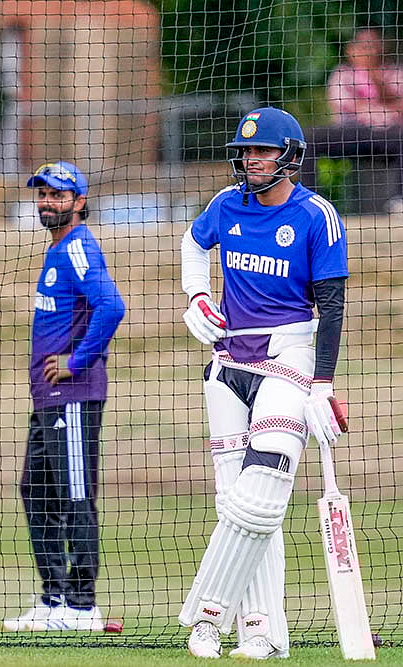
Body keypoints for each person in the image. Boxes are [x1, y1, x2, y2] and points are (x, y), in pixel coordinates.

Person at [178, 107, 348, 659]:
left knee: (261, 496)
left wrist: (322, 383)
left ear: (289, 157)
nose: (249, 159)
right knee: (237, 502)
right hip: (228, 362)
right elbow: (191, 244)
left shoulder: (316, 215)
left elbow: (333, 304)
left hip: (289, 357)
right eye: (245, 151)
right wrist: (198, 297)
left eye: (262, 151)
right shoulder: (225, 205)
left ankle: (206, 616)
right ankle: (261, 630)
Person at [1, 162, 125, 633]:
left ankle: (82, 605)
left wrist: (76, 361)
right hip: (48, 399)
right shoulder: (57, 250)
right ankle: (54, 600)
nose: (47, 203)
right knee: (37, 491)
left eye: (58, 196)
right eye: (42, 195)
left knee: (75, 496)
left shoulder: (77, 248)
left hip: (74, 397)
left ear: (78, 202)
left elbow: (112, 306)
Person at [299, 27, 403, 211]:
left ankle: (399, 200)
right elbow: (347, 104)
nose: (369, 50)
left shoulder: (393, 72)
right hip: (350, 132)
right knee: (308, 137)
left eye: (373, 45)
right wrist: (384, 109)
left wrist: (374, 74)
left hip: (386, 135)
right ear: (351, 50)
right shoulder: (343, 73)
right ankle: (308, 202)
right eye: (364, 45)